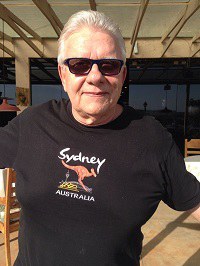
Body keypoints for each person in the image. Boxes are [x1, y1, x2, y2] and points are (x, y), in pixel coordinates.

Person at [0, 10, 199, 266]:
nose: (95, 77)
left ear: (123, 76)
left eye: (109, 65)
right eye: (79, 65)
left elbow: (194, 199)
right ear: (62, 74)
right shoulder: (32, 123)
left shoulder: (152, 139)